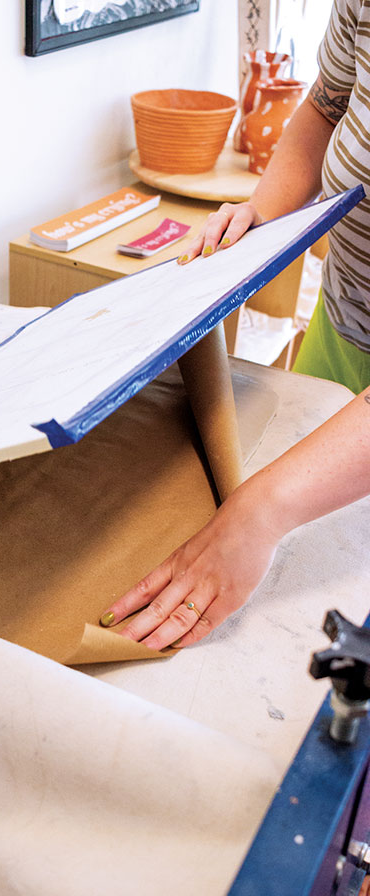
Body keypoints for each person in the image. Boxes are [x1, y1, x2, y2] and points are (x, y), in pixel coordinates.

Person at [99, 0, 370, 650]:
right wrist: (260, 213)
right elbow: (323, 109)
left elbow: (266, 511)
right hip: (345, 321)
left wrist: (261, 511)